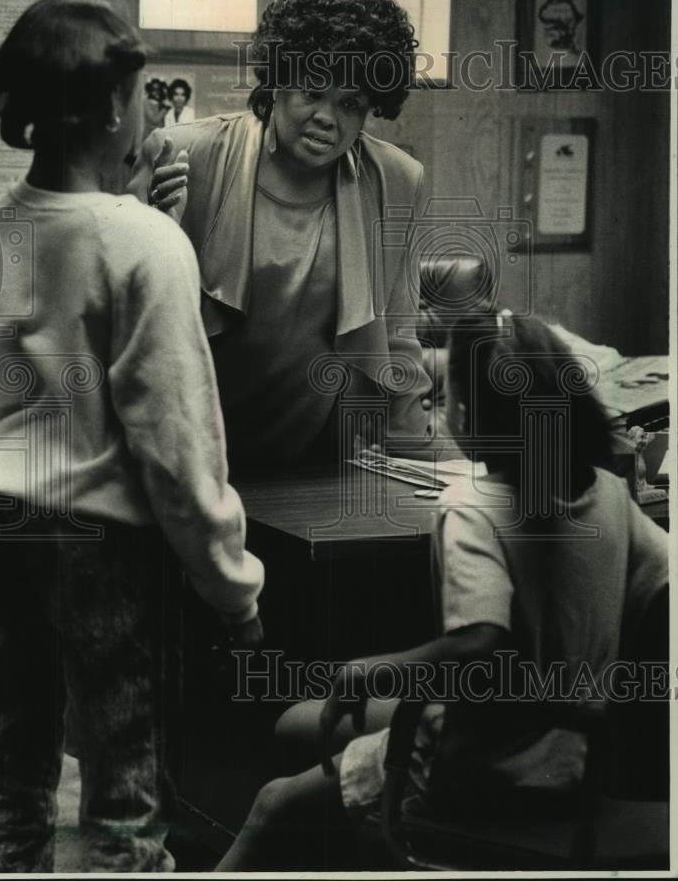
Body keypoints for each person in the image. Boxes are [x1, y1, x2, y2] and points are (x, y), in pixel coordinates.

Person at [0, 0, 264, 873]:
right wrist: (233, 588)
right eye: (141, 95)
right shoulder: (149, 244)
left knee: (9, 781)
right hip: (99, 545)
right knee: (124, 796)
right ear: (108, 108)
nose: (152, 111)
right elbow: (177, 444)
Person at [213, 312, 668, 871]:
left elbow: (481, 642)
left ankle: (356, 836)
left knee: (272, 803)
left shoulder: (472, 510)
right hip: (577, 754)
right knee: (298, 727)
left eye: (445, 394)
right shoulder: (610, 495)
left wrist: (370, 668)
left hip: (481, 769)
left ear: (470, 414)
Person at [128, 0, 449, 467]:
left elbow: (398, 340)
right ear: (278, 80)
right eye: (312, 92)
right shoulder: (187, 155)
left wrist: (439, 470)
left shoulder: (395, 179)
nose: (327, 117)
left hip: (317, 462)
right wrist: (150, 235)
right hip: (185, 457)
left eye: (351, 103)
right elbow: (121, 323)